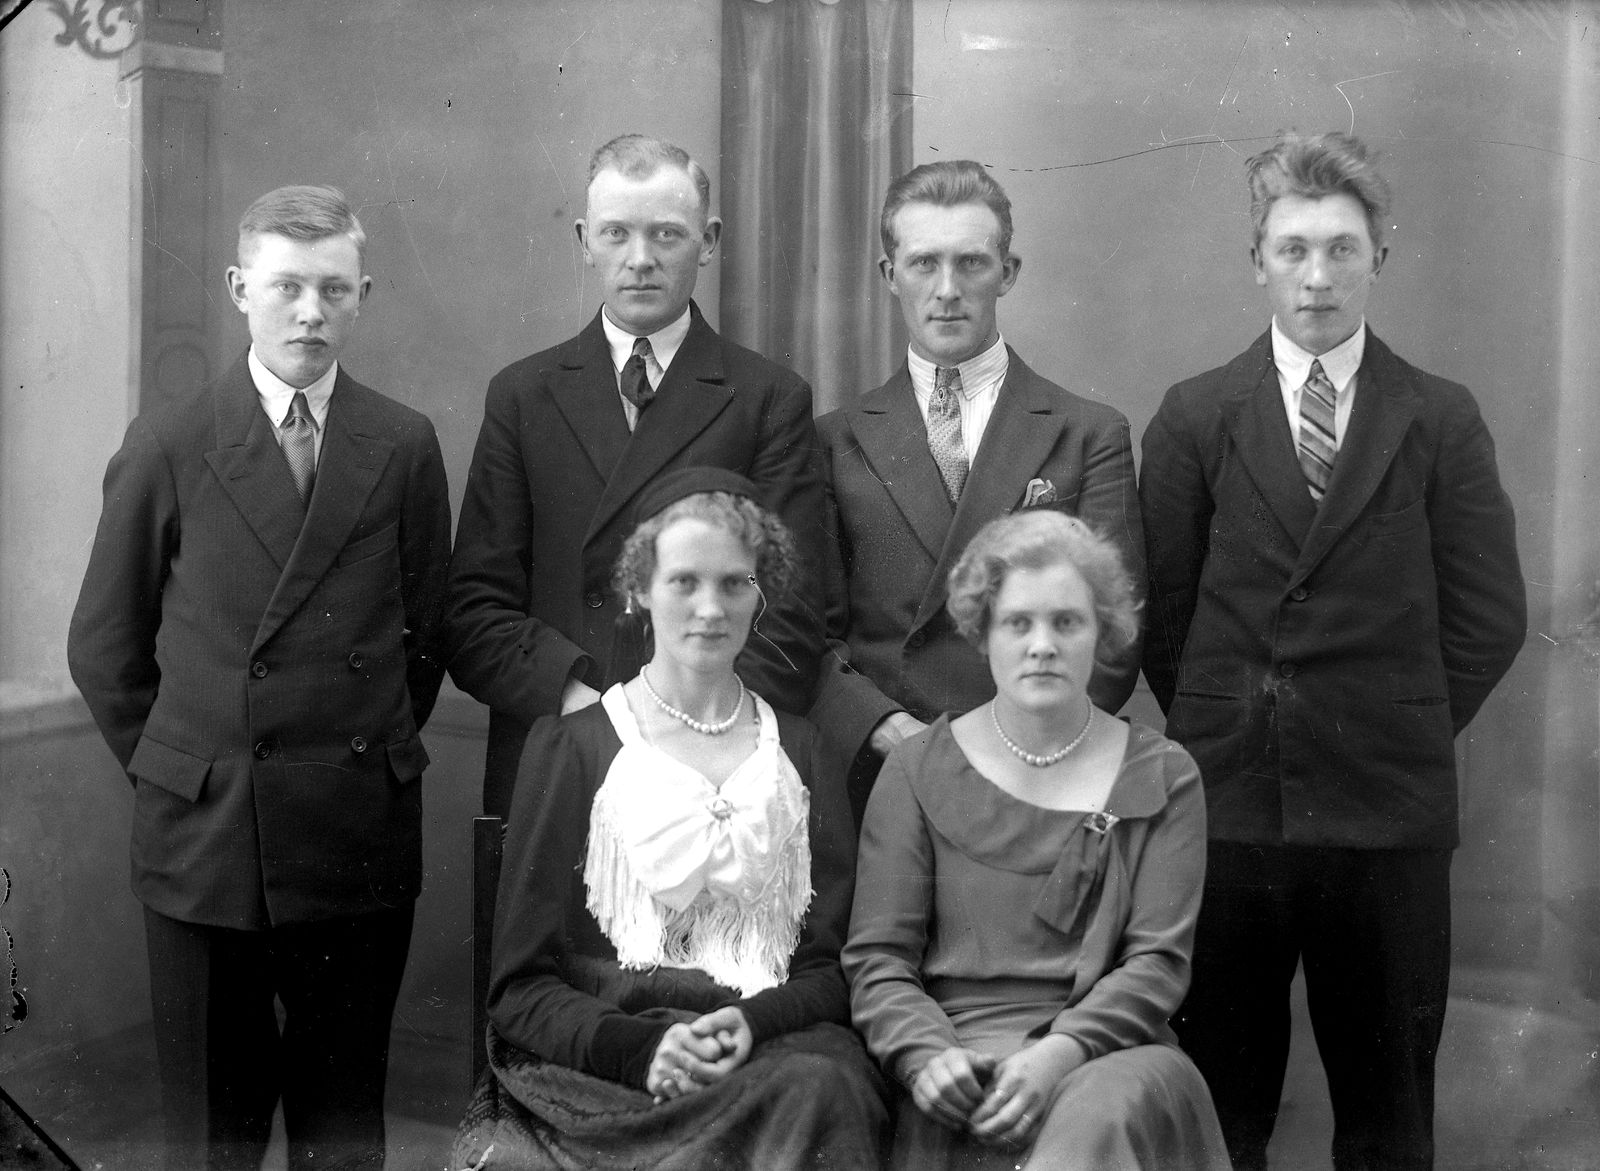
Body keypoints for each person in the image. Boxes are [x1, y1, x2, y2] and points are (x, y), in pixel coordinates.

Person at [1141, 132, 1526, 1170]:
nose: (1317, 276)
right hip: (1232, 812)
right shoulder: (1195, 415)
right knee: (1223, 1105)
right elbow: (1164, 615)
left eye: (1342, 249)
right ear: (1256, 260)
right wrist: (1244, 717)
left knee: (1388, 1112)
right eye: (1294, 249)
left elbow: (1490, 614)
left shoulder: (1438, 415)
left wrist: (1394, 718)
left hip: (1386, 813)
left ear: (1379, 257)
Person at [67, 186, 452, 1169]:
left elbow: (425, 638)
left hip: (354, 836)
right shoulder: (170, 442)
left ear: (364, 294)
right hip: (209, 847)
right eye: (286, 287)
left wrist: (354, 754)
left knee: (342, 1131)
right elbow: (104, 647)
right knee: (212, 1138)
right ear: (241, 289)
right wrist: (186, 771)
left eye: (334, 289)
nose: (310, 312)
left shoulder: (403, 443)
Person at [452, 467, 887, 1171]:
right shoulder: (575, 746)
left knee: (825, 1088)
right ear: (639, 589)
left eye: (734, 583)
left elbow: (830, 967)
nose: (710, 608)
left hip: (770, 1044)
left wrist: (750, 1022)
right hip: (608, 1057)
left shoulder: (803, 751)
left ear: (760, 595)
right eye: (684, 581)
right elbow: (520, 987)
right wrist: (640, 1049)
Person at [446, 133, 827, 819]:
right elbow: (475, 612)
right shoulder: (524, 395)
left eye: (667, 234)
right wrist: (594, 716)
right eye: (616, 233)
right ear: (584, 240)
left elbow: (792, 616)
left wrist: (690, 735)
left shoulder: (768, 398)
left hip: (715, 772)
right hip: (562, 750)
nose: (641, 258)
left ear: (708, 241)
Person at [844, 511, 1229, 1170]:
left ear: (1103, 631)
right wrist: (928, 1057)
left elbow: (1157, 964)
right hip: (958, 1057)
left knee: (1099, 1118)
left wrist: (1057, 1054)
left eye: (1067, 622)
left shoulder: (1164, 773)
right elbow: (880, 960)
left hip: (1111, 1055)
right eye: (1018, 623)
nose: (1042, 645)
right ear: (983, 631)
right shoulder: (916, 768)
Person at [809, 159, 1142, 826]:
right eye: (923, 263)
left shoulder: (1088, 433)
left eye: (971, 263)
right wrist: (889, 732)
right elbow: (810, 633)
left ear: (1007, 273)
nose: (947, 290)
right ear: (889, 275)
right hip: (888, 772)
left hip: (1037, 773)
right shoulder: (835, 439)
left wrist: (1014, 746)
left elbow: (1115, 630)